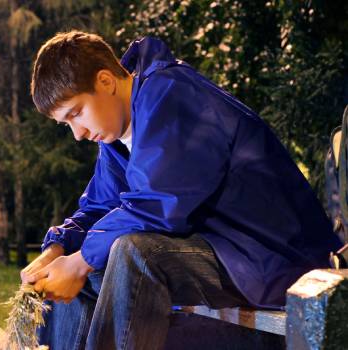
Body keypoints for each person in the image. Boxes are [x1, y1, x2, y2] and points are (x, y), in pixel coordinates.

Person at [22, 31, 344, 350]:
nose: (77, 133)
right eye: (66, 124)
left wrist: (80, 262)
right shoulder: (116, 138)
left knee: (135, 253)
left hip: (271, 257)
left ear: (105, 81)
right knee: (84, 272)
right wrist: (57, 252)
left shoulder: (172, 96)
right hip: (226, 254)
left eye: (76, 113)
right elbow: (96, 208)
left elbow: (158, 205)